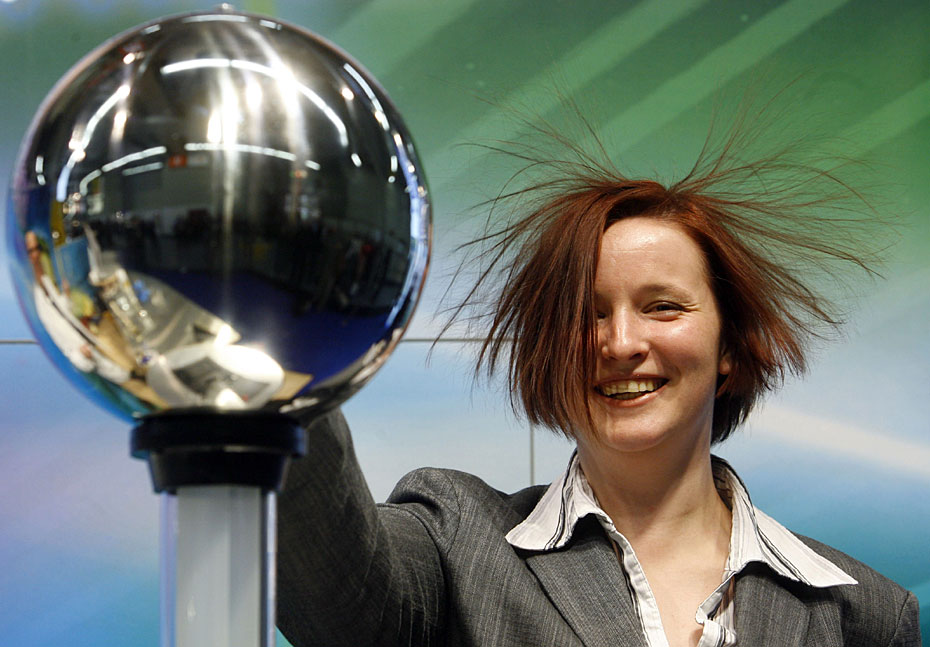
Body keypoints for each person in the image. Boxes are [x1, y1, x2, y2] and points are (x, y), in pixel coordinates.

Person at [275, 111, 922, 646]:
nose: (620, 343)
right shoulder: (456, 538)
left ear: (728, 345)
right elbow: (333, 598)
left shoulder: (862, 615)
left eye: (662, 307)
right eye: (588, 314)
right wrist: (282, 323)